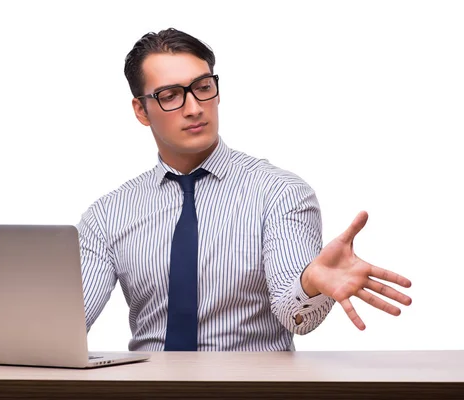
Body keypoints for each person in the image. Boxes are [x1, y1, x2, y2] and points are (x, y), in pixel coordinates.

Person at [77, 28, 412, 352]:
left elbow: (296, 317)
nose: (194, 108)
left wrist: (310, 284)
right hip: (147, 390)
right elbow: (67, 323)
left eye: (202, 87)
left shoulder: (279, 193)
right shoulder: (108, 215)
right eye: (170, 96)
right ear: (141, 110)